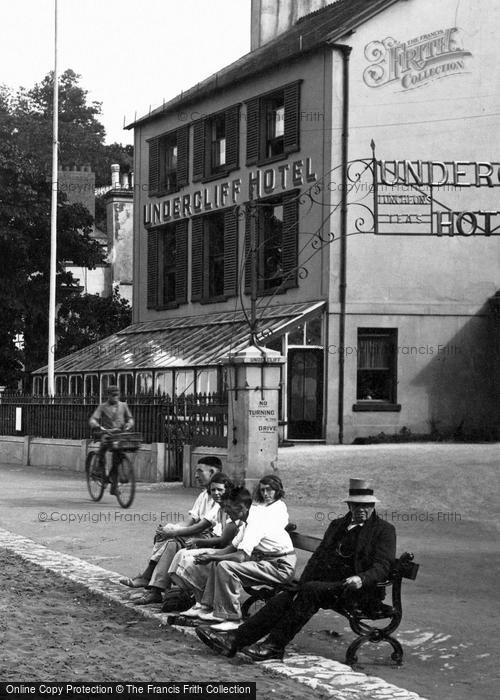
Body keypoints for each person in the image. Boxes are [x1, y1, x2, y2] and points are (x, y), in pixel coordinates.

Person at [196, 478, 396, 660]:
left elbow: (383, 566)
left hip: (358, 591)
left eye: (367, 505)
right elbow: (318, 558)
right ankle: (235, 640)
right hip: (329, 587)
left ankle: (274, 645)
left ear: (373, 506)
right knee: (288, 594)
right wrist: (301, 583)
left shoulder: (384, 530)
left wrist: (361, 578)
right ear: (350, 505)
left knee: (309, 592)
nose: (362, 509)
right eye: (357, 505)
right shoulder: (338, 525)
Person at [170, 483, 296, 631]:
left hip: (280, 566)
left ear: (241, 508)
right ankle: (210, 607)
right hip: (264, 560)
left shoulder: (256, 522)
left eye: (228, 508)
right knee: (220, 562)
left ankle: (233, 619)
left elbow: (241, 557)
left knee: (225, 566)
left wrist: (213, 558)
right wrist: (211, 554)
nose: (225, 511)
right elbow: (233, 547)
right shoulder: (247, 517)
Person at [119, 459, 228, 604]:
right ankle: (154, 587)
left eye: (199, 471)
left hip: (212, 538)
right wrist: (171, 528)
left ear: (213, 472)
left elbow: (202, 526)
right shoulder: (203, 495)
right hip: (200, 534)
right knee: (167, 537)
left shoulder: (221, 495)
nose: (195, 475)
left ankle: (151, 584)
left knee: (172, 541)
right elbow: (190, 521)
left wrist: (174, 533)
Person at [88, 385, 134, 495]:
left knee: (117, 459)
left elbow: (130, 419)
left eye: (117, 395)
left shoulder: (123, 405)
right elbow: (93, 419)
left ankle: (114, 486)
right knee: (103, 448)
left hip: (119, 435)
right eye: (113, 395)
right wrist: (96, 425)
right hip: (107, 434)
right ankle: (99, 470)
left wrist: (129, 424)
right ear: (108, 395)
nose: (115, 397)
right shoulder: (102, 407)